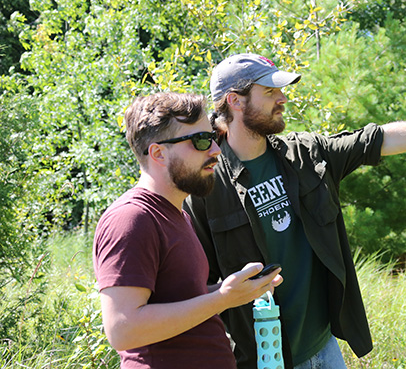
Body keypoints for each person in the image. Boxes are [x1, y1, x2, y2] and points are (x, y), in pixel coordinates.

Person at [183, 53, 406, 369]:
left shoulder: (304, 154)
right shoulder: (205, 185)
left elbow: (378, 139)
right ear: (235, 101)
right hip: (265, 357)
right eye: (270, 92)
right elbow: (197, 287)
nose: (283, 99)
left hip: (324, 346)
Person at [93, 92, 282, 369]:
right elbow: (123, 329)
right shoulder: (132, 218)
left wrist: (233, 291)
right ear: (158, 153)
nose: (216, 150)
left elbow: (178, 299)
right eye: (201, 141)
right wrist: (222, 299)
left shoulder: (176, 214)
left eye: (213, 137)